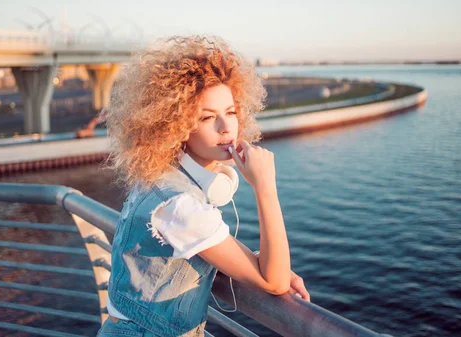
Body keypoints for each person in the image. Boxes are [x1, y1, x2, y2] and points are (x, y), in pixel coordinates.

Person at [99, 36, 309, 337]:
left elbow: (197, 242)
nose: (226, 128)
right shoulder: (180, 205)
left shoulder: (162, 180)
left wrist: (255, 261)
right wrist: (265, 186)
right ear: (176, 126)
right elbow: (274, 283)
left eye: (231, 112)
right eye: (208, 117)